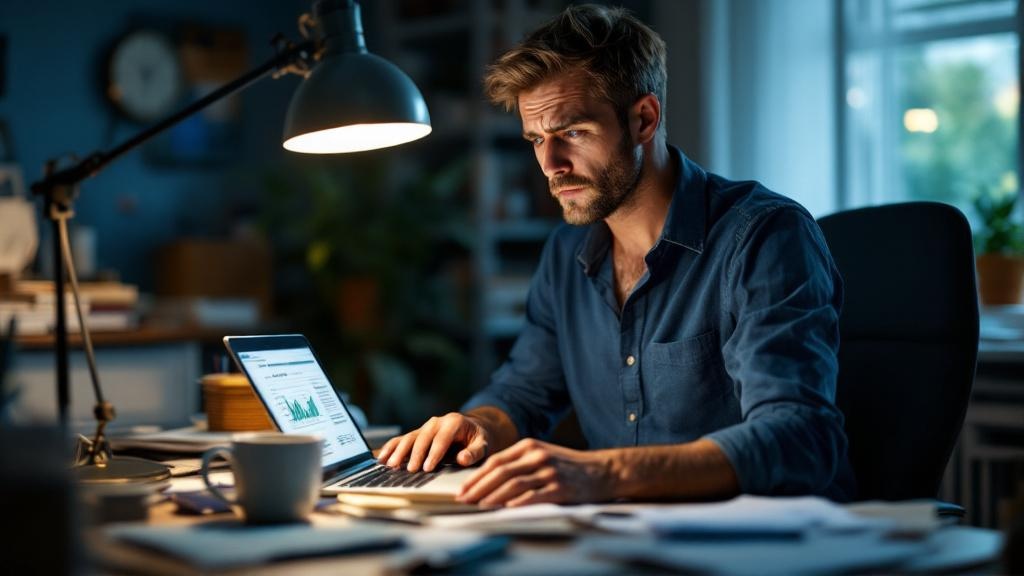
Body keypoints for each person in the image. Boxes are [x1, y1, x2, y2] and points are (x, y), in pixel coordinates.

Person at [378, 4, 855, 507]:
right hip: (624, 539)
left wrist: (604, 474)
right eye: (536, 140)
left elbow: (799, 438)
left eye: (572, 134)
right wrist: (478, 424)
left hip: (770, 543)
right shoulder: (566, 254)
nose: (550, 166)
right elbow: (524, 391)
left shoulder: (763, 236)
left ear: (644, 119)